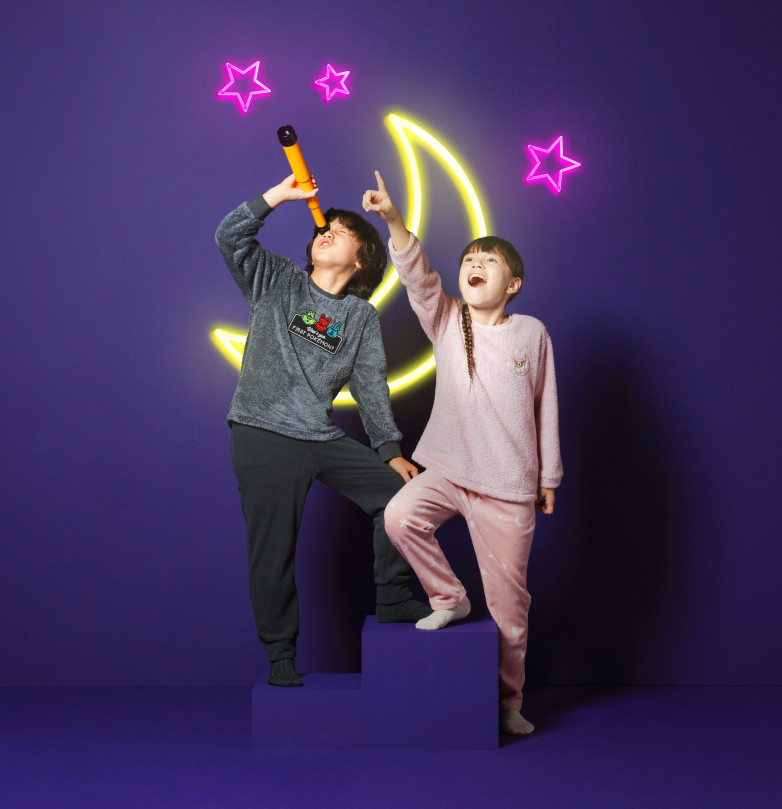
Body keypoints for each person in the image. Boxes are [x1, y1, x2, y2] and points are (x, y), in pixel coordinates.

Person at [363, 171, 563, 735]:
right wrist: (395, 222)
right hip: (450, 471)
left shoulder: (532, 333)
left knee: (509, 606)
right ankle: (449, 596)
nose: (475, 264)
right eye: (469, 259)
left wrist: (549, 475)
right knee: (400, 516)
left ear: (513, 283)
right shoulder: (447, 319)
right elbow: (419, 278)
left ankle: (508, 703)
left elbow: (547, 405)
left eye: (488, 261)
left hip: (509, 484)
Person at [216, 173, 430, 688]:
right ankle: (280, 656)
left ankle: (393, 596)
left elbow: (371, 387)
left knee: (401, 495)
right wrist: (279, 195)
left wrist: (390, 450)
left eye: (343, 230)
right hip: (263, 433)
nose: (327, 230)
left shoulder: (359, 317)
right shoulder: (277, 280)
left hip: (319, 435)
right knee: (274, 551)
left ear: (362, 261)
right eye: (324, 226)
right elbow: (229, 235)